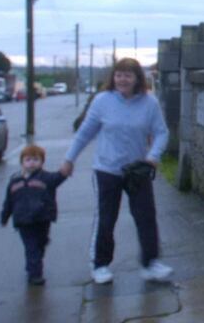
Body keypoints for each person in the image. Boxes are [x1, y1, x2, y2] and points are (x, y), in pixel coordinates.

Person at [60, 57, 172, 285]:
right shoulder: (102, 101)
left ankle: (150, 263)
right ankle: (100, 265)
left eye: (128, 75)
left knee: (146, 217)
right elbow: (84, 133)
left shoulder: (149, 103)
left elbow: (161, 132)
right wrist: (69, 159)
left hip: (137, 170)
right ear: (113, 77)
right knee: (106, 218)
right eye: (119, 74)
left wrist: (153, 156)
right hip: (107, 169)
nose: (122, 79)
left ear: (137, 78)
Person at [0, 144, 68, 286]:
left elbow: (58, 178)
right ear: (22, 162)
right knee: (31, 246)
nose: (32, 162)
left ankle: (34, 261)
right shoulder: (15, 181)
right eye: (28, 159)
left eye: (36, 159)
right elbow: (9, 201)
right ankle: (35, 274)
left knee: (40, 244)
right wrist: (5, 216)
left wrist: (65, 171)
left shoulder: (46, 178)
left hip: (42, 218)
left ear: (42, 162)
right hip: (23, 220)